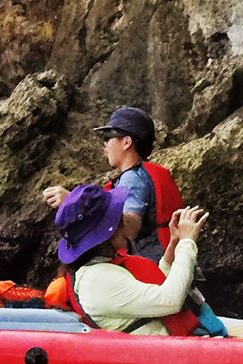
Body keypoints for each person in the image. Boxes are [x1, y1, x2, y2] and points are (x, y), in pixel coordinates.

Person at [54, 182, 214, 334]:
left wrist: (174, 244)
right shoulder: (97, 281)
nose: (124, 223)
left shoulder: (102, 268)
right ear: (105, 234)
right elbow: (170, 300)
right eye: (118, 219)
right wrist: (187, 242)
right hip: (166, 350)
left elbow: (153, 290)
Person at [41, 105, 164, 264]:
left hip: (155, 267)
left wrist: (75, 203)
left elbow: (130, 228)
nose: (104, 146)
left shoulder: (132, 178)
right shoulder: (143, 173)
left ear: (126, 142)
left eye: (108, 137)